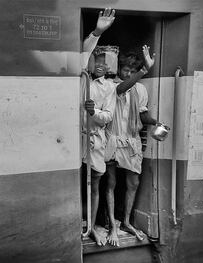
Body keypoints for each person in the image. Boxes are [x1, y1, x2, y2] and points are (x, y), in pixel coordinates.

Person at [104, 45, 160, 246]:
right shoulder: (111, 85)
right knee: (110, 183)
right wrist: (145, 70)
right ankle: (112, 224)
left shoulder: (141, 89)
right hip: (113, 138)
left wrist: (155, 122)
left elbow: (142, 114)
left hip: (132, 140)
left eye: (132, 71)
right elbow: (122, 88)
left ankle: (126, 222)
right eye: (125, 69)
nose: (128, 73)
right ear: (119, 68)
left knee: (133, 183)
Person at [81, 7, 116, 247]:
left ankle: (92, 226)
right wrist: (97, 31)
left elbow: (109, 115)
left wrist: (94, 112)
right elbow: (84, 51)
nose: (100, 64)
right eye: (97, 58)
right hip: (74, 141)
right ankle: (83, 223)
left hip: (94, 140)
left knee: (94, 185)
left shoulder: (109, 87)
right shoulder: (81, 76)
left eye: (105, 61)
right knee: (76, 182)